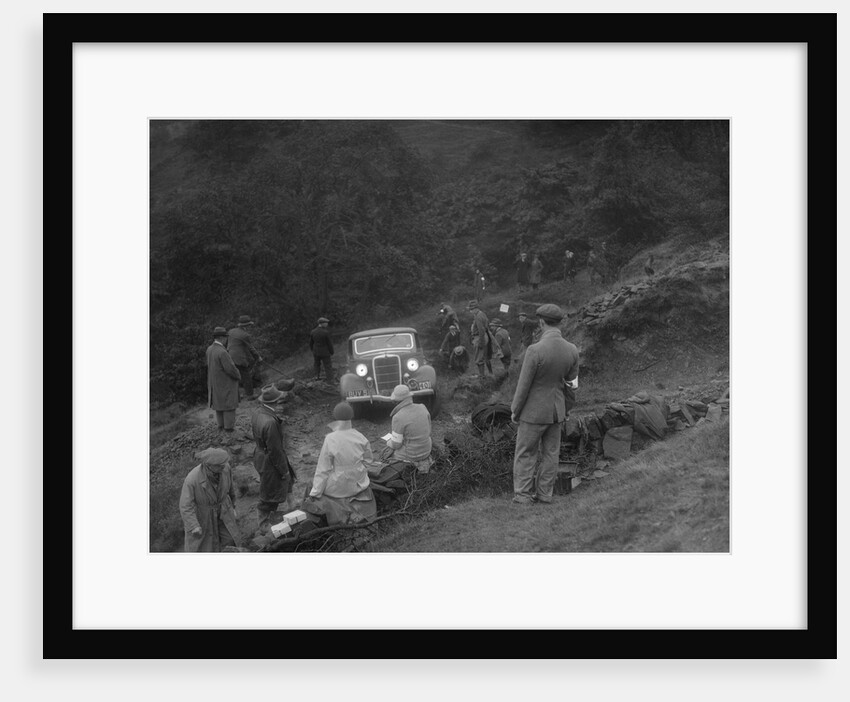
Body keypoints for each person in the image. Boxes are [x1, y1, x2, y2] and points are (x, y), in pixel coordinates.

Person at [510, 304, 580, 506]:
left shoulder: (534, 350)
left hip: (533, 412)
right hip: (557, 411)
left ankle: (522, 495)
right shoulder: (572, 350)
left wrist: (515, 410)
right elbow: (572, 384)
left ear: (540, 323)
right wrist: (565, 408)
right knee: (551, 454)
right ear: (560, 323)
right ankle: (545, 494)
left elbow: (524, 386)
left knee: (526, 452)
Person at [301, 402, 377, 526]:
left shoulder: (330, 439)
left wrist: (315, 493)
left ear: (335, 417)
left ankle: (306, 513)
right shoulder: (360, 436)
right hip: (359, 483)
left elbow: (323, 469)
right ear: (352, 416)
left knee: (313, 484)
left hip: (339, 487)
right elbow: (369, 460)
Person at [251, 385, 297, 532]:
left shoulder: (258, 412)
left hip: (260, 455)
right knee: (271, 490)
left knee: (287, 481)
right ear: (276, 402)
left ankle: (293, 507)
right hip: (269, 460)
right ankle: (263, 523)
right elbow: (275, 451)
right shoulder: (270, 422)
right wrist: (283, 471)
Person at [179, 447, 241, 552]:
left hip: (224, 510)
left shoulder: (226, 468)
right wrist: (194, 525)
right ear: (209, 465)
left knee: (230, 539)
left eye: (224, 464)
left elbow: (230, 489)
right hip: (204, 516)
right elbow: (185, 505)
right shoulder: (192, 479)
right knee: (207, 547)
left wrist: (233, 506)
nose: (223, 467)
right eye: (220, 465)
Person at [382, 385, 433, 473]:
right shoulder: (422, 407)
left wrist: (388, 442)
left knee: (385, 453)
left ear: (396, 401)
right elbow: (429, 430)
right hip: (427, 449)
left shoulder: (398, 417)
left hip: (412, 455)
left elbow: (396, 444)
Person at [206, 326, 241, 434]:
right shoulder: (222, 352)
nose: (226, 340)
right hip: (225, 383)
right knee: (229, 405)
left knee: (219, 405)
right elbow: (230, 369)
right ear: (222, 338)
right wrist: (238, 375)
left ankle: (221, 427)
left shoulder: (209, 349)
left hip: (214, 383)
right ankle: (229, 429)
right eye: (225, 337)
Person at [227, 315, 263, 401]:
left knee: (234, 377)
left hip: (228, 356)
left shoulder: (231, 331)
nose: (250, 327)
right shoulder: (244, 335)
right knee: (246, 376)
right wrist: (258, 357)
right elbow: (251, 348)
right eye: (249, 325)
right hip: (239, 358)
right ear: (246, 326)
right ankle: (250, 395)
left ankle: (236, 397)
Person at [467, 299, 492, 377]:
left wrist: (481, 342)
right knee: (482, 357)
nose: (470, 311)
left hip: (479, 337)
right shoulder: (482, 314)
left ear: (475, 308)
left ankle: (482, 376)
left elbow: (481, 330)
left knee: (479, 358)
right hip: (483, 336)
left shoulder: (478, 316)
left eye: (471, 309)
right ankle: (484, 374)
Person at [309, 316, 335, 383]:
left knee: (316, 365)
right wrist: (331, 352)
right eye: (326, 323)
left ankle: (316, 377)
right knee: (328, 366)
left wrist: (312, 350)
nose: (327, 324)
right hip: (325, 352)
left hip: (316, 352)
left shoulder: (313, 332)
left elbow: (311, 343)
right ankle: (330, 380)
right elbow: (329, 343)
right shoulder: (325, 332)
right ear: (322, 323)